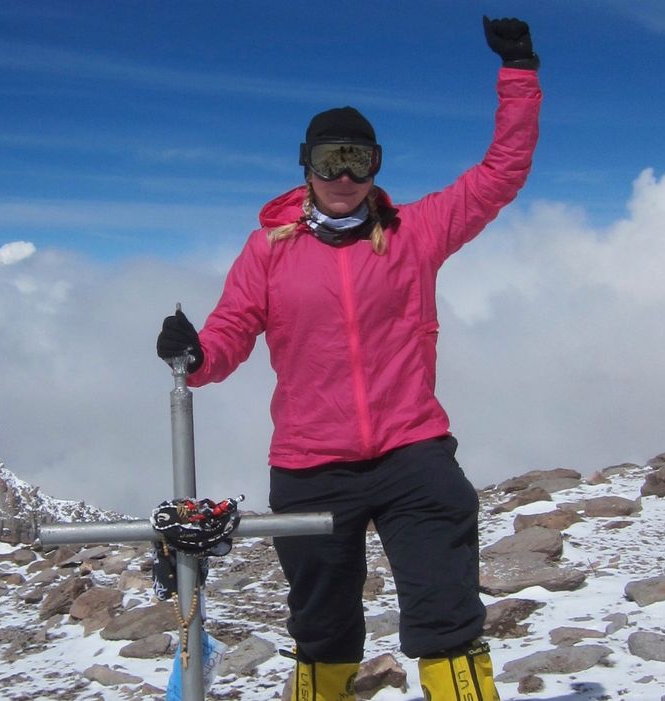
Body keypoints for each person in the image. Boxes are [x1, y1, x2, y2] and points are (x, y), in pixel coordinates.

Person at [156, 15, 541, 701]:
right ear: (304, 163)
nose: (342, 174)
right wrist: (197, 353)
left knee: (447, 618)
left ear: (376, 166)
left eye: (357, 160)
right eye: (329, 158)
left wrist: (518, 74)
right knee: (324, 629)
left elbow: (500, 173)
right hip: (311, 464)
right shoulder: (268, 251)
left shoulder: (415, 233)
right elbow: (231, 331)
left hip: (410, 452)